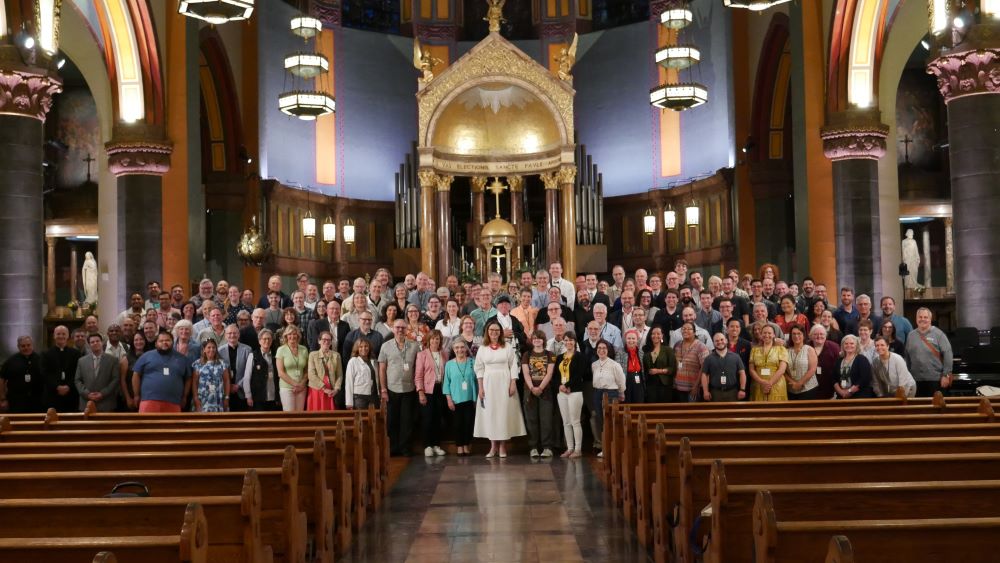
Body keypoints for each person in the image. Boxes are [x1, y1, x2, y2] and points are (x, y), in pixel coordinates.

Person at [474, 321, 526, 458]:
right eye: (491, 330)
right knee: (491, 414)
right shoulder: (483, 348)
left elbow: (514, 365)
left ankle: (503, 446)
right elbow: (479, 368)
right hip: (488, 383)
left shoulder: (507, 347)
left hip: (505, 382)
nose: (494, 332)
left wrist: (513, 382)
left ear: (501, 332)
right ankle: (493, 447)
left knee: (503, 413)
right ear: (487, 331)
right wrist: (480, 387)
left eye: (497, 330)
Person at [379, 320, 420, 456]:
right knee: (392, 421)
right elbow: (382, 369)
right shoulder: (385, 346)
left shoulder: (415, 346)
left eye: (403, 327)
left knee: (407, 421)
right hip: (391, 388)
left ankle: (405, 448)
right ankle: (393, 448)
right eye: (398, 327)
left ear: (407, 329)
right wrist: (383, 389)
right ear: (393, 329)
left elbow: (418, 367)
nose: (400, 330)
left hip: (409, 388)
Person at [132, 332, 192, 413]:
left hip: (174, 402)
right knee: (147, 425)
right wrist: (136, 395)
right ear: (156, 343)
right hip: (149, 400)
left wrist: (184, 396)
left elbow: (188, 378)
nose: (164, 342)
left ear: (172, 342)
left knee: (172, 425)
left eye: (167, 340)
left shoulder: (182, 359)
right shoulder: (146, 356)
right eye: (161, 341)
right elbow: (136, 374)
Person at [521, 330, 556, 458]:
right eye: (534, 338)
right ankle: (533, 447)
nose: (537, 340)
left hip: (545, 391)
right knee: (531, 420)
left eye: (539, 338)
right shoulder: (527, 354)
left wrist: (540, 387)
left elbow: (550, 373)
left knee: (546, 419)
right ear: (532, 340)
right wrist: (532, 388)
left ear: (543, 340)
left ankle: (547, 447)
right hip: (529, 391)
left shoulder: (550, 354)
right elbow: (525, 373)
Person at [905, 307, 953, 397]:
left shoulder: (939, 335)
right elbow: (907, 357)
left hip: (935, 380)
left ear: (930, 319)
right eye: (920, 317)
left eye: (925, 317)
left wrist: (946, 375)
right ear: (916, 319)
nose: (922, 319)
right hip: (915, 380)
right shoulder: (910, 335)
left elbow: (948, 355)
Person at [415, 330, 449, 457]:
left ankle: (436, 445)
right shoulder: (422, 354)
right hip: (428, 390)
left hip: (441, 389)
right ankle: (427, 446)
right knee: (427, 419)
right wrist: (421, 392)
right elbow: (418, 376)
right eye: (433, 339)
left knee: (438, 418)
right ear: (428, 340)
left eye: (438, 339)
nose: (435, 341)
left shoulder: (444, 354)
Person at [554, 332, 587, 458]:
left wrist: (567, 385)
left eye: (571, 340)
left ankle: (578, 449)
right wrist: (561, 386)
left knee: (575, 421)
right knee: (566, 422)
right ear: (563, 342)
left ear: (575, 342)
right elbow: (556, 376)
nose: (569, 342)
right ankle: (569, 448)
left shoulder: (580, 357)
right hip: (561, 392)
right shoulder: (559, 357)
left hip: (575, 391)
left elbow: (579, 375)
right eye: (566, 340)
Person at [591, 340, 626, 458]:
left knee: (610, 421)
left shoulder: (614, 365)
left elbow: (621, 381)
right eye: (599, 348)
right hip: (597, 393)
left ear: (608, 350)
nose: (601, 350)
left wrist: (621, 392)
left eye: (604, 348)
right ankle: (605, 448)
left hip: (611, 393)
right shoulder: (594, 364)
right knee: (601, 422)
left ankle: (613, 448)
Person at [443, 339, 478, 456]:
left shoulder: (472, 362)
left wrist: (477, 398)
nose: (460, 350)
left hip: (469, 399)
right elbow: (446, 383)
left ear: (466, 349)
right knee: (457, 424)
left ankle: (466, 445)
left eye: (462, 347)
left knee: (468, 423)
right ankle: (459, 446)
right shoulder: (449, 364)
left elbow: (476, 381)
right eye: (457, 348)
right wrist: (449, 399)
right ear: (453, 350)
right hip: (455, 399)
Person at [74, 334, 120, 412]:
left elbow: (115, 379)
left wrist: (102, 393)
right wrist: (87, 394)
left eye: (97, 341)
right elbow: (77, 380)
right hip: (86, 403)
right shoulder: (81, 361)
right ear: (89, 345)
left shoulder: (113, 360)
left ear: (102, 342)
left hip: (107, 403)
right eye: (92, 342)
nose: (95, 343)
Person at [42, 325, 82, 412]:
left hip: (71, 394)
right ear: (54, 336)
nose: (61, 336)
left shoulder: (76, 354)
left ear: (68, 336)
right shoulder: (46, 354)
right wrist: (57, 387)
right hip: (52, 395)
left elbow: (78, 373)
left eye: (63, 334)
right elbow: (45, 373)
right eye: (58, 334)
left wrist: (68, 386)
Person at [0, 336, 44, 413]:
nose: (26, 348)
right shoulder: (10, 361)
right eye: (23, 346)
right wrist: (3, 399)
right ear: (18, 347)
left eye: (28, 345)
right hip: (16, 401)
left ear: (32, 345)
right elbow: (1, 379)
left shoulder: (41, 360)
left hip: (37, 401)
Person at [700, 332, 747, 402]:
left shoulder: (736, 357)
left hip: (733, 392)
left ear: (726, 340)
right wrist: (705, 391)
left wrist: (742, 389)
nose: (720, 342)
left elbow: (742, 373)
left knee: (733, 413)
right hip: (715, 393)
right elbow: (704, 375)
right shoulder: (708, 358)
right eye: (717, 341)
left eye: (722, 339)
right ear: (713, 343)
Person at [748, 325, 789, 402]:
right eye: (764, 333)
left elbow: (782, 370)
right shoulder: (754, 350)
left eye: (769, 333)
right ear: (761, 334)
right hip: (758, 385)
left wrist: (769, 383)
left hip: (777, 385)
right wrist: (762, 382)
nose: (767, 335)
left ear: (774, 335)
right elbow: (751, 370)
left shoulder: (781, 349)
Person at [244, 329, 281, 411]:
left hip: (273, 396)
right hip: (258, 397)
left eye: (269, 339)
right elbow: (247, 377)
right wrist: (248, 396)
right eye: (264, 339)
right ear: (259, 341)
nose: (267, 341)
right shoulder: (253, 355)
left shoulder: (276, 355)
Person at [673, 322, 710, 402]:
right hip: (678, 387)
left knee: (693, 413)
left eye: (689, 329)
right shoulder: (677, 345)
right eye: (684, 329)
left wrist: (696, 386)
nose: (686, 331)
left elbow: (704, 368)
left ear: (694, 332)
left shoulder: (701, 347)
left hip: (693, 388)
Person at [307, 331, 343, 411]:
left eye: (329, 340)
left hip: (332, 390)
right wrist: (324, 388)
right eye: (324, 339)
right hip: (317, 389)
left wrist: (336, 389)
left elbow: (339, 375)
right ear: (319, 341)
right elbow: (311, 374)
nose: (326, 342)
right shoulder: (312, 355)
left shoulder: (336, 355)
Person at [276, 325, 309, 412]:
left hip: (302, 387)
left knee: (300, 414)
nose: (292, 336)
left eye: (294, 334)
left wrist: (301, 384)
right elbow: (280, 372)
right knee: (289, 416)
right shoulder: (281, 350)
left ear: (298, 336)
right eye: (289, 334)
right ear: (286, 336)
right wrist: (295, 384)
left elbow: (307, 371)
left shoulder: (304, 349)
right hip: (287, 387)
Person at [192, 339, 230, 412]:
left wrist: (226, 397)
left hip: (218, 399)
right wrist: (196, 398)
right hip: (202, 399)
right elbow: (194, 382)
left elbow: (226, 380)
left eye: (213, 347)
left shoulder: (222, 363)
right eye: (209, 347)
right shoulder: (197, 364)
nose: (211, 349)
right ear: (204, 350)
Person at [784, 324, 820, 400]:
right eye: (793, 334)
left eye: (799, 333)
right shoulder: (786, 351)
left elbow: (812, 369)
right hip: (791, 389)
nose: (796, 336)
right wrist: (793, 383)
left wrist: (800, 383)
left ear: (804, 335)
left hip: (808, 389)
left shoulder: (809, 349)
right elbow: (783, 371)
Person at [221, 324, 252, 411]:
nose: (232, 335)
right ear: (225, 335)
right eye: (229, 333)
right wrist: (228, 386)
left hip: (242, 391)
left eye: (235, 333)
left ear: (239, 334)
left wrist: (238, 385)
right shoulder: (219, 351)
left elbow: (249, 371)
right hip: (225, 392)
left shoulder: (247, 349)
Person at [643, 326, 677, 403]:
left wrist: (659, 371)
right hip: (650, 385)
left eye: (658, 333)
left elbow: (673, 369)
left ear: (662, 335)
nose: (655, 336)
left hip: (665, 385)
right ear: (650, 335)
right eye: (653, 333)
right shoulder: (646, 350)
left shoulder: (668, 350)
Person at [833, 335, 874, 399]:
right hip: (841, 396)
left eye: (852, 343)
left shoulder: (862, 359)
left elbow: (865, 378)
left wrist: (849, 391)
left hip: (859, 396)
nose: (849, 345)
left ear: (857, 345)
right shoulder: (839, 360)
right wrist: (841, 392)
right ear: (843, 346)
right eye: (846, 343)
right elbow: (834, 379)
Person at [345, 338, 380, 410]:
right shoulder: (353, 361)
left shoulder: (374, 361)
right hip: (360, 398)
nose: (364, 348)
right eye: (361, 347)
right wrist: (349, 403)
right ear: (357, 348)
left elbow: (377, 380)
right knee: (361, 420)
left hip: (374, 397)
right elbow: (349, 383)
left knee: (374, 420)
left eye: (366, 346)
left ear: (369, 347)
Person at [122, 331, 148, 410]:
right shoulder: (126, 358)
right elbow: (122, 380)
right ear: (132, 342)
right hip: (131, 396)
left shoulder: (150, 355)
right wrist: (128, 398)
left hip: (147, 396)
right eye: (136, 340)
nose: (138, 342)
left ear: (145, 341)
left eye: (141, 339)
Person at [619, 329, 646, 404]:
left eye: (633, 338)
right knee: (627, 404)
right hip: (625, 381)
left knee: (639, 402)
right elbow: (617, 370)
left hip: (639, 380)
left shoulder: (641, 352)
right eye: (629, 338)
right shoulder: (620, 352)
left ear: (637, 340)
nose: (631, 340)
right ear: (625, 340)